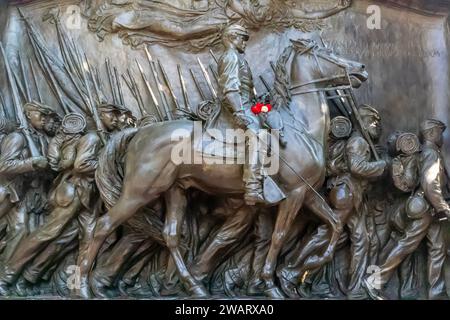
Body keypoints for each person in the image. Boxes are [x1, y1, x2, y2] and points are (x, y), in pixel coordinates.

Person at [0, 105, 121, 295]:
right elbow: (82, 164)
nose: (117, 120)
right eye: (112, 115)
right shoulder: (92, 138)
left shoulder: (102, 138)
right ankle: (7, 276)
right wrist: (110, 165)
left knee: (87, 239)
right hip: (72, 192)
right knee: (47, 234)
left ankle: (74, 286)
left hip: (89, 197)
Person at [364, 119, 450, 300]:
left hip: (432, 211)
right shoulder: (430, 153)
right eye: (440, 132)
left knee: (437, 249)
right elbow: (429, 183)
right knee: (406, 245)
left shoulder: (429, 152)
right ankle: (374, 282)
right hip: (427, 209)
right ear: (432, 133)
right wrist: (443, 207)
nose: (442, 137)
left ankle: (437, 294)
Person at [217, 24, 268, 205]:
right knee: (256, 134)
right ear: (232, 38)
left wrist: (260, 105)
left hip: (246, 106)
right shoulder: (231, 56)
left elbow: (246, 91)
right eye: (242, 38)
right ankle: (252, 187)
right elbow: (230, 89)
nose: (245, 42)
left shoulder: (239, 58)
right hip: (235, 109)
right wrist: (240, 112)